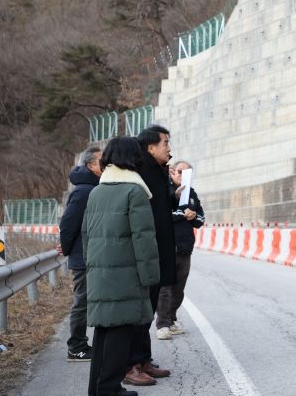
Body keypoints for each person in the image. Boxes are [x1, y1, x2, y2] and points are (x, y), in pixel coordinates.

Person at [82, 136, 160, 396]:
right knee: (121, 332)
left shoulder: (97, 191)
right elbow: (143, 239)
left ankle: (98, 389)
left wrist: (92, 266)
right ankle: (110, 390)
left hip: (100, 271)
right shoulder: (134, 191)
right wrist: (150, 277)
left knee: (104, 331)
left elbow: (86, 234)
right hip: (126, 274)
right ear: (133, 157)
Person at [124, 125, 176, 386]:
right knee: (139, 311)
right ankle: (130, 365)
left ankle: (143, 359)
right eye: (165, 143)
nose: (169, 148)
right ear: (150, 147)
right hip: (146, 254)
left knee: (149, 309)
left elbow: (162, 208)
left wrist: (174, 190)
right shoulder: (140, 173)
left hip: (159, 252)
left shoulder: (157, 170)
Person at [59, 146, 102, 362]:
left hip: (90, 254)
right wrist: (66, 248)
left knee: (88, 301)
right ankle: (76, 347)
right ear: (91, 165)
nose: (106, 164)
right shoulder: (84, 190)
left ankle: (83, 345)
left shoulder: (93, 187)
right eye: (101, 161)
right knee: (82, 302)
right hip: (82, 256)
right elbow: (68, 224)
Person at [155, 161, 204, 340]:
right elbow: (162, 216)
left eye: (187, 172)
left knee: (178, 290)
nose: (183, 176)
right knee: (165, 289)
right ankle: (162, 325)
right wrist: (183, 214)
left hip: (185, 248)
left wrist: (193, 216)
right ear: (172, 172)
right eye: (180, 172)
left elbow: (200, 219)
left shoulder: (192, 193)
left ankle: (171, 320)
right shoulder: (164, 191)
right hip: (168, 247)